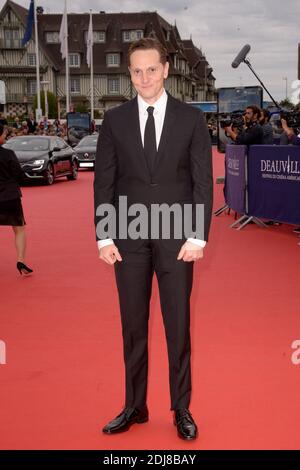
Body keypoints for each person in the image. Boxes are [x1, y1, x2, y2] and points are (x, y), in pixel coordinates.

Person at [94, 38, 213, 441]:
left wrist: (197, 235)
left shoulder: (193, 119)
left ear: (165, 69)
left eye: (151, 69)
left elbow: (201, 182)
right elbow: (104, 181)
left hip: (178, 238)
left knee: (178, 327)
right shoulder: (114, 120)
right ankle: (135, 405)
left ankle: (181, 407)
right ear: (129, 74)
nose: (144, 77)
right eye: (136, 71)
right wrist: (102, 235)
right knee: (133, 326)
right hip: (127, 238)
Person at [0, 124, 33, 275]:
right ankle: (21, 260)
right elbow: (19, 175)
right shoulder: (8, 154)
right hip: (10, 196)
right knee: (19, 229)